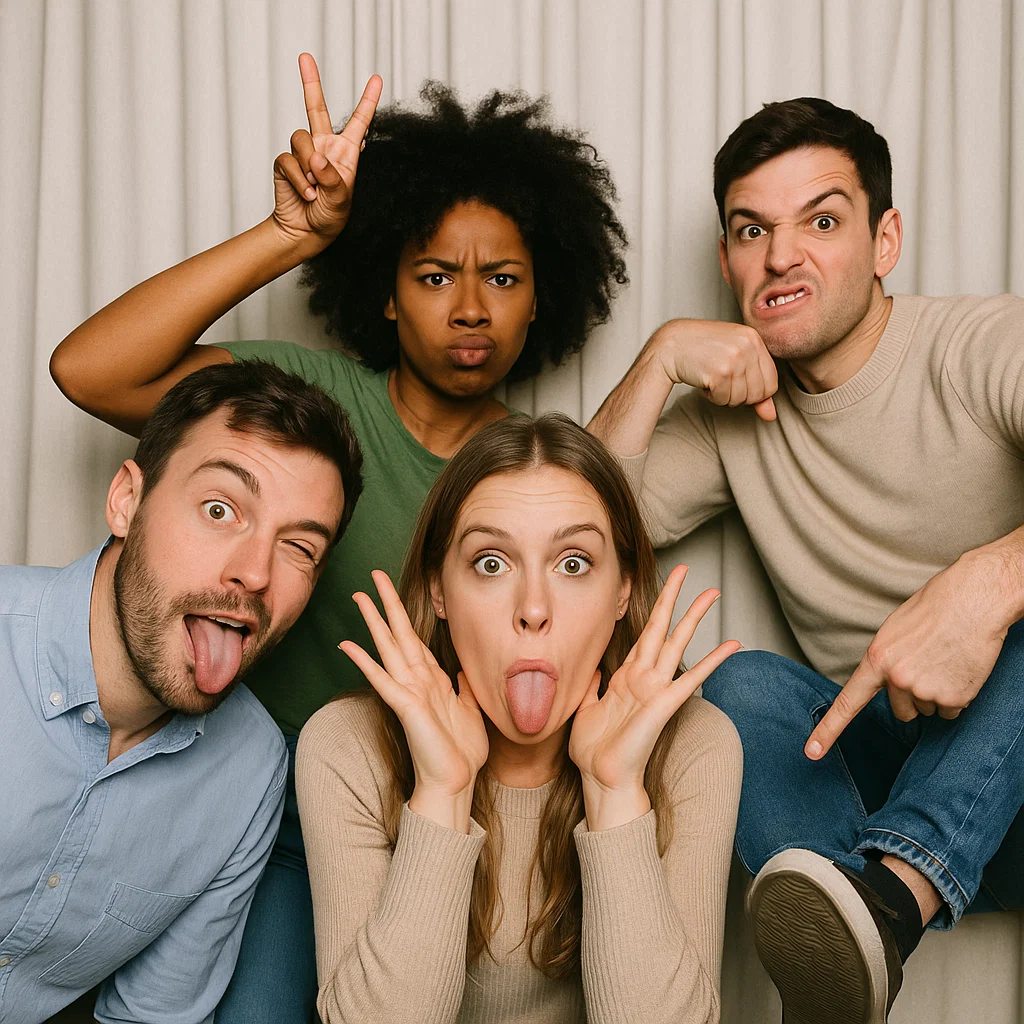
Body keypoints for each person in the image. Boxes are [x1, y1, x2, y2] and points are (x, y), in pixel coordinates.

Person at [48, 54, 628, 1021]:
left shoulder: (531, 480)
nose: (471, 307)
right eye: (434, 276)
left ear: (543, 297)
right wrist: (288, 235)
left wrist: (663, 361)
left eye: (504, 278)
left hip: (431, 815)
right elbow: (92, 371)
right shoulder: (309, 410)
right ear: (386, 292)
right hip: (252, 800)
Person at [588, 96, 1024, 1024]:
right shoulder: (731, 417)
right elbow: (569, 536)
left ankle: (890, 901)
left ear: (884, 240)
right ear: (727, 261)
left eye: (821, 222)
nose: (781, 256)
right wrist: (660, 359)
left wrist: (991, 582)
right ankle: (853, 951)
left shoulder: (984, 345)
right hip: (888, 785)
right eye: (754, 230)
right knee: (728, 688)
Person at [296, 413, 742, 1023]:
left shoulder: (695, 746)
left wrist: (615, 793)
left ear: (622, 590)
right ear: (438, 590)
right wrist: (442, 792)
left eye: (573, 563)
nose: (533, 608)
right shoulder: (347, 747)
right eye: (491, 563)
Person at [1, 360, 362, 1024]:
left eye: (299, 547)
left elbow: (152, 1016)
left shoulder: (251, 771)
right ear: (126, 502)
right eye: (220, 510)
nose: (255, 573)